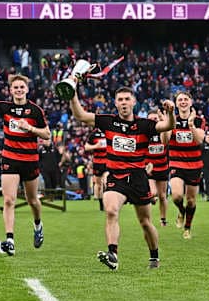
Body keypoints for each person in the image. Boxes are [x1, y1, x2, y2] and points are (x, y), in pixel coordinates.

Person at [69, 81, 175, 270]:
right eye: (120, 100)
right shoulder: (108, 121)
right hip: (116, 176)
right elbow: (80, 115)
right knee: (110, 211)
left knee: (145, 222)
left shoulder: (144, 124)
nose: (124, 102)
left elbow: (167, 126)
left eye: (127, 99)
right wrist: (72, 93)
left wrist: (171, 112)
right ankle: (113, 254)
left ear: (134, 102)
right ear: (115, 103)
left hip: (138, 178)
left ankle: (154, 256)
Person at [0, 73, 51, 256]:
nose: (19, 90)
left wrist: (30, 128)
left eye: (21, 87)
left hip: (30, 160)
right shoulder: (5, 107)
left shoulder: (35, 110)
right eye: (15, 87)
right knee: (8, 199)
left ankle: (38, 224)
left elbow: (47, 135)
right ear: (11, 90)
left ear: (27, 89)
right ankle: (10, 239)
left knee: (33, 201)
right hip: (10, 159)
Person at [166, 92, 205, 239]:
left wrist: (190, 125)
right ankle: (181, 211)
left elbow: (199, 140)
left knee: (191, 200)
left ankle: (187, 227)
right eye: (180, 100)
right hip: (176, 162)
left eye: (185, 99)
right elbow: (165, 140)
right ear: (176, 104)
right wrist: (168, 122)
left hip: (194, 164)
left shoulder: (199, 120)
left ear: (190, 102)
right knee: (176, 196)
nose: (183, 102)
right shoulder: (172, 119)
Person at [146, 109, 171, 226]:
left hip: (162, 167)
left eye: (155, 119)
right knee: (153, 192)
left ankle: (163, 219)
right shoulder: (144, 133)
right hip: (150, 168)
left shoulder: (162, 132)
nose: (153, 121)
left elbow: (165, 141)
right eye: (150, 119)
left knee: (162, 196)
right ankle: (148, 219)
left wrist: (163, 121)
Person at [85, 128, 107, 211]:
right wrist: (95, 146)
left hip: (108, 162)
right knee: (99, 185)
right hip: (97, 163)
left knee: (105, 182)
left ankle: (107, 202)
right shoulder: (94, 134)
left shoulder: (109, 131)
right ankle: (101, 205)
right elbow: (86, 147)